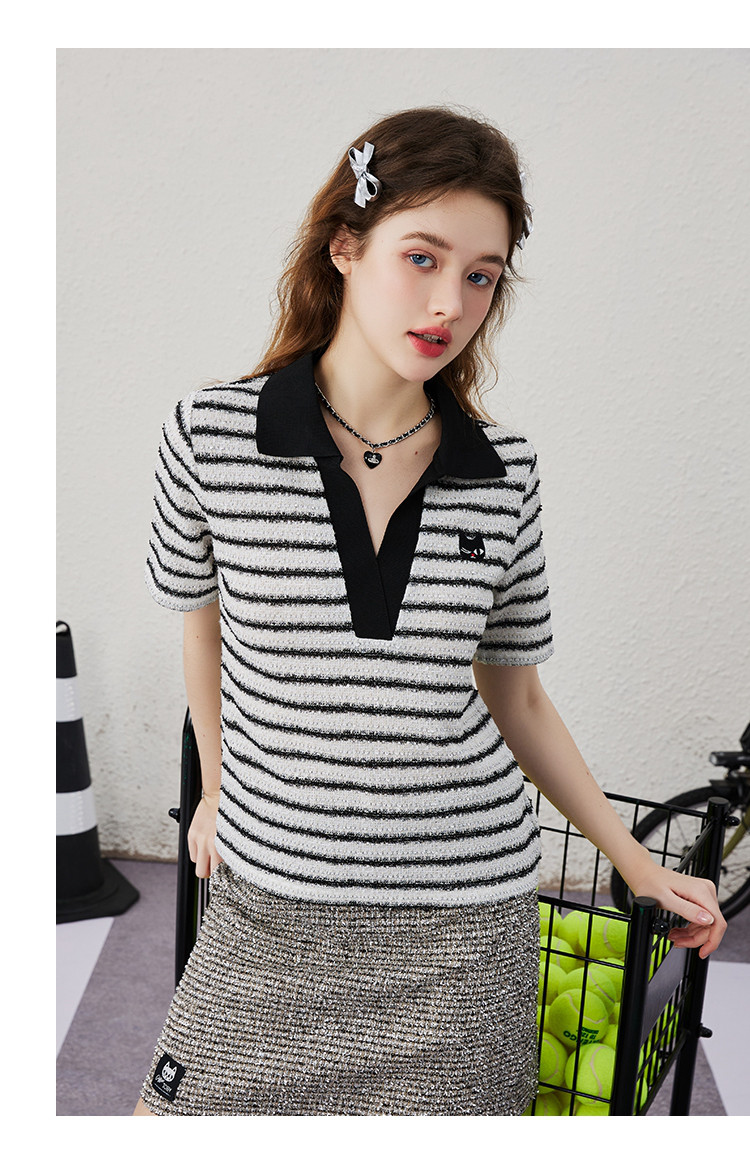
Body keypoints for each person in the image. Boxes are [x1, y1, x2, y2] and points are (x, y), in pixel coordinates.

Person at [135, 107, 726, 1116]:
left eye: (482, 275)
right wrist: (219, 787)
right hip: (270, 907)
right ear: (345, 246)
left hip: (464, 927)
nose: (451, 301)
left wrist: (633, 861)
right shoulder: (210, 436)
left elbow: (517, 697)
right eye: (422, 257)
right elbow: (203, 625)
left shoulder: (504, 473)